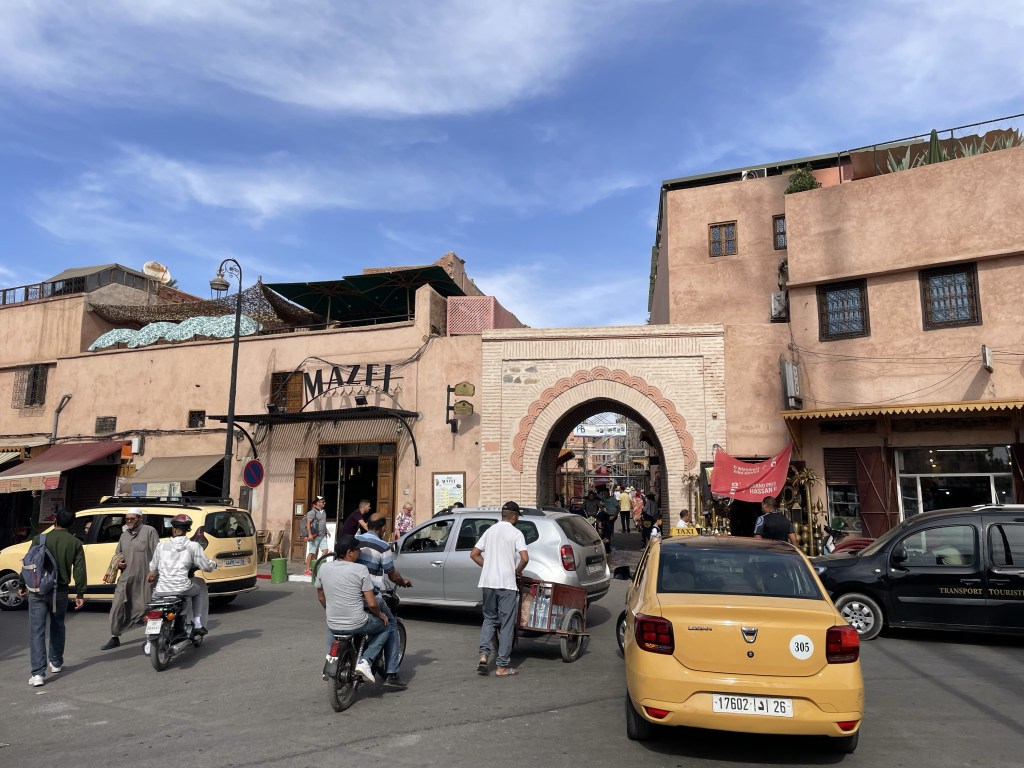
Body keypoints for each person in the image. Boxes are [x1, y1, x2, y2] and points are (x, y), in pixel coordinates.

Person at [17, 508, 86, 687]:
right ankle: (55, 662)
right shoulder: (75, 543)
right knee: (58, 625)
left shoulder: (39, 539)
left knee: (37, 630)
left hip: (38, 591)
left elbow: (28, 563)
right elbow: (79, 570)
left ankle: (38, 674)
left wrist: (22, 584)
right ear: (72, 524)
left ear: (55, 520)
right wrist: (80, 593)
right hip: (60, 591)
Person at [316, 534, 390, 684]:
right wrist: (381, 614)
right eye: (358, 549)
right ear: (349, 552)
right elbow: (372, 604)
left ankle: (331, 659)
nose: (360, 552)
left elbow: (321, 597)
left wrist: (331, 610)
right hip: (358, 622)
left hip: (333, 621)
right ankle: (366, 661)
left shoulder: (324, 567)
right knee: (385, 627)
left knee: (333, 627)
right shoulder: (361, 569)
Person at [470, 501, 529, 677]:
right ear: (515, 517)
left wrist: (488, 566)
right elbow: (525, 558)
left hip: (488, 582)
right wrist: (516, 571)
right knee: (507, 623)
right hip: (506, 583)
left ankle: (483, 656)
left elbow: (474, 554)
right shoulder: (516, 533)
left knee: (489, 619)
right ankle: (502, 666)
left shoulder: (490, 531)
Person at [147, 514, 219, 651]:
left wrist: (152, 573)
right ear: (188, 530)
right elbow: (205, 565)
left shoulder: (161, 546)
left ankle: (148, 642)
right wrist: (214, 565)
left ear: (173, 529)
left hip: (161, 589)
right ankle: (197, 623)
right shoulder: (193, 546)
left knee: (153, 607)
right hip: (182, 588)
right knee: (197, 591)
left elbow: (153, 567)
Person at [356, 516, 413, 690]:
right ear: (381, 528)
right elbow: (392, 574)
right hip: (370, 596)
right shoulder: (382, 546)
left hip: (351, 595)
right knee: (391, 625)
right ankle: (392, 674)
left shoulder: (355, 540)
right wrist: (403, 581)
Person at [100, 508, 159, 650]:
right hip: (125, 578)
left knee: (144, 608)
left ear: (140, 518)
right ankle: (114, 636)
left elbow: (158, 553)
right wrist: (119, 563)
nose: (129, 521)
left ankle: (152, 638)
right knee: (117, 608)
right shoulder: (124, 535)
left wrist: (154, 571)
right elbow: (118, 554)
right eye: (127, 519)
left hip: (144, 579)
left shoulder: (149, 531)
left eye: (132, 518)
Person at [303, 496, 329, 577]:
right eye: (323, 502)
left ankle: (318, 565)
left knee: (325, 551)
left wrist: (326, 530)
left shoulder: (323, 511)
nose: (324, 503)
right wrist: (309, 534)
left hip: (322, 535)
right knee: (312, 552)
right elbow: (308, 523)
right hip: (315, 536)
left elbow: (323, 523)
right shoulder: (312, 512)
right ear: (318, 503)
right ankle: (307, 569)